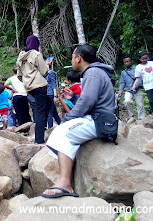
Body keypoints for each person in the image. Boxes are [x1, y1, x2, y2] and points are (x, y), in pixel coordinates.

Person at [42, 44, 116, 198]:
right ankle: (66, 183)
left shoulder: (93, 73)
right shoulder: (95, 72)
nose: (72, 60)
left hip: (99, 121)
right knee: (65, 135)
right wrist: (74, 98)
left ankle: (65, 183)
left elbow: (88, 100)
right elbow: (92, 100)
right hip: (99, 119)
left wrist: (67, 118)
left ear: (78, 58)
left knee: (62, 131)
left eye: (72, 57)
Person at [16, 35, 50, 145]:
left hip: (29, 88)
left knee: (41, 108)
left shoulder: (21, 56)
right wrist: (48, 65)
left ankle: (39, 131)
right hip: (39, 85)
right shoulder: (36, 54)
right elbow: (44, 71)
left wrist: (27, 79)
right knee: (40, 111)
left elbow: (19, 76)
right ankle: (39, 139)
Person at [131, 51, 153, 117]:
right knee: (151, 101)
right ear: (140, 59)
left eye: (146, 58)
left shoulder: (152, 63)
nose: (145, 60)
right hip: (148, 86)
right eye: (143, 59)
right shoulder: (138, 67)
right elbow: (138, 78)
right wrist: (134, 85)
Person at [45, 57, 62, 128]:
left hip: (50, 94)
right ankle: (62, 125)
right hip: (47, 94)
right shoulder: (44, 73)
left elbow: (54, 84)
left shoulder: (50, 73)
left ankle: (50, 129)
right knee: (54, 113)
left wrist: (55, 96)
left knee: (50, 113)